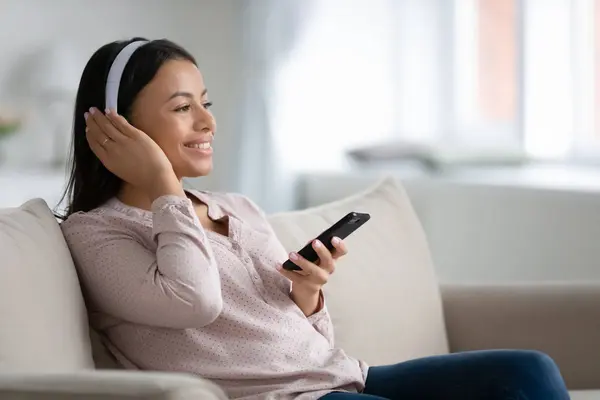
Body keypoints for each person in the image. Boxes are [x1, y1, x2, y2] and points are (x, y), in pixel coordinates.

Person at [59, 38, 571, 400]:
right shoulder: (95, 233)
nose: (208, 122)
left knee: (529, 369)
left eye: (207, 104)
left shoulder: (236, 208)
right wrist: (163, 187)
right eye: (181, 107)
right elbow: (195, 300)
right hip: (279, 397)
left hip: (343, 377)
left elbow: (314, 343)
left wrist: (307, 296)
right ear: (115, 124)